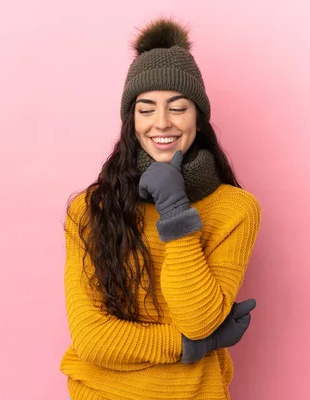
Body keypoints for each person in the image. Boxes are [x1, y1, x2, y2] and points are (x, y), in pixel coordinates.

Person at [59, 17, 262, 400]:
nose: (162, 123)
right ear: (131, 121)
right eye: (146, 109)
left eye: (178, 107)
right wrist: (195, 346)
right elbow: (92, 339)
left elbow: (198, 319)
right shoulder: (90, 209)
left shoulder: (236, 210)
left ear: (198, 119)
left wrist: (174, 208)